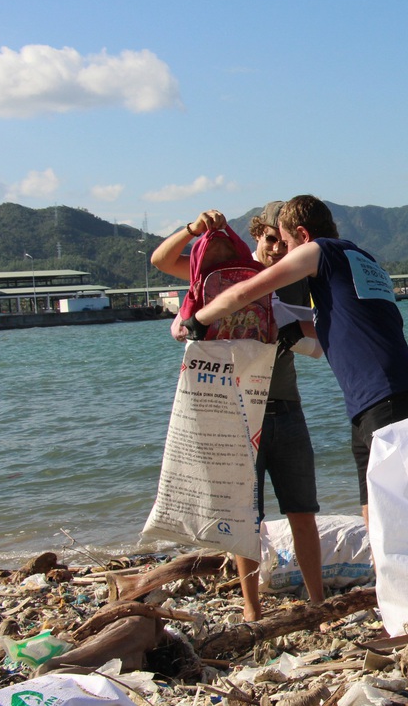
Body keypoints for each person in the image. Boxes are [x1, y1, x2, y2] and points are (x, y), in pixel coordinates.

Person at [181, 195, 408, 528]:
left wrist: (199, 320)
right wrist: (291, 327)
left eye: (286, 242)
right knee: (372, 506)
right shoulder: (361, 258)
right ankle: (383, 578)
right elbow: (348, 320)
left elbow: (247, 292)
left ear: (302, 234)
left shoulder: (320, 251)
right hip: (376, 399)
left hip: (385, 396)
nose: (284, 252)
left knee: (399, 514)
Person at [151, 203, 325, 621]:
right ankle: (252, 610)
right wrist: (193, 228)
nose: (278, 252)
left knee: (303, 510)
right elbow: (160, 260)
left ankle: (318, 603)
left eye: (283, 243)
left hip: (286, 407)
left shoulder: (298, 277)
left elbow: (323, 333)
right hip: (236, 410)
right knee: (246, 517)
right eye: (270, 242)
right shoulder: (229, 273)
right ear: (257, 235)